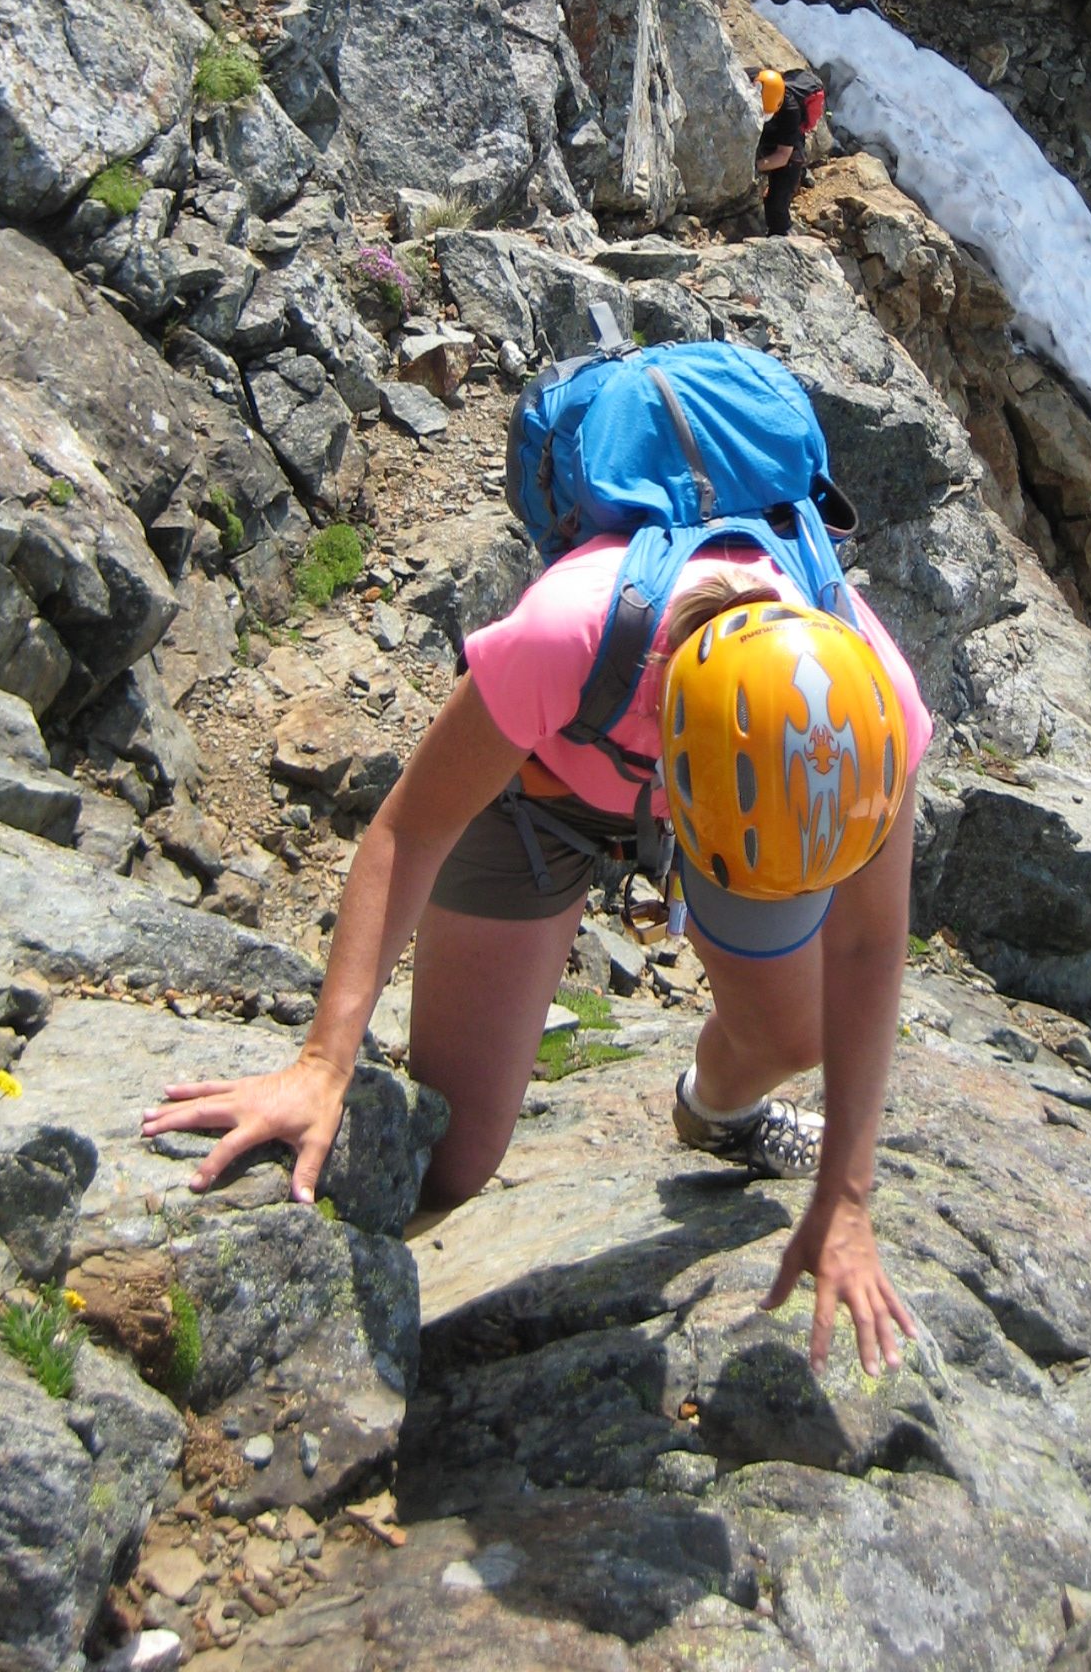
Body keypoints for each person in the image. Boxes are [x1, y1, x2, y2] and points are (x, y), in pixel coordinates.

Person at [142, 544, 933, 1376]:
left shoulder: (873, 704)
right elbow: (412, 828)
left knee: (792, 1036)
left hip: (754, 808)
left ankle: (718, 1111)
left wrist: (847, 1197)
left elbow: (867, 942)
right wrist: (322, 1062)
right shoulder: (570, 637)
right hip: (540, 792)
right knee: (456, 1158)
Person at [755, 67, 806, 235]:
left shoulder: (790, 111)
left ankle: (781, 232)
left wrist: (755, 167)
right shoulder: (750, 79)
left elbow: (783, 156)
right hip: (764, 135)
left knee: (777, 203)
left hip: (786, 146)